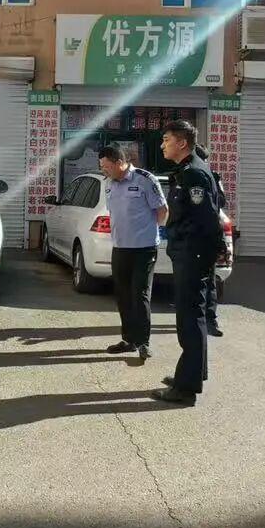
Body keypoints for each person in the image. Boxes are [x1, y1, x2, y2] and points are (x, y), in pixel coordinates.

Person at [153, 120, 225, 405]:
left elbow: (205, 217)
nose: (163, 145)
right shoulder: (188, 170)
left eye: (167, 139)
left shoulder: (193, 173)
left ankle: (185, 388)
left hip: (192, 253)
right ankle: (193, 374)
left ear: (182, 143)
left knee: (189, 318)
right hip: (191, 251)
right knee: (193, 315)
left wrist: (208, 251)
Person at [98, 143, 167, 363]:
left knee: (140, 294)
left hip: (144, 249)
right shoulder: (109, 184)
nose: (103, 170)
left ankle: (143, 342)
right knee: (123, 296)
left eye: (106, 166)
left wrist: (151, 233)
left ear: (120, 163)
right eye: (102, 166)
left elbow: (162, 211)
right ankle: (128, 340)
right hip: (120, 248)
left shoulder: (145, 180)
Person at [193, 144, 230, 338]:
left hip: (208, 234)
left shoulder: (212, 177)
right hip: (190, 238)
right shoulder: (182, 176)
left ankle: (210, 320)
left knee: (209, 282)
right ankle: (199, 320)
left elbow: (221, 202)